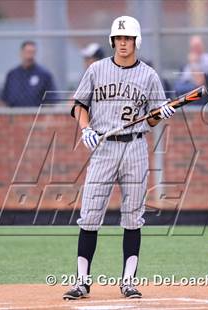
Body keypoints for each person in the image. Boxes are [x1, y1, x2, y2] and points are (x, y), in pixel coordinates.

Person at [63, 16, 176, 300]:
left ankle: (128, 282)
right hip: (102, 147)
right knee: (89, 215)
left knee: (133, 217)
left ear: (136, 41)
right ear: (112, 41)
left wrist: (160, 116)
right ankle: (82, 282)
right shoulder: (96, 70)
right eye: (118, 38)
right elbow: (79, 105)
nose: (123, 43)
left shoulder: (149, 76)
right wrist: (85, 128)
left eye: (127, 39)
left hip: (135, 147)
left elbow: (151, 120)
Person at [1, 41, 57, 107]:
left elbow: (51, 99)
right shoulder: (12, 74)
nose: (30, 56)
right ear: (21, 53)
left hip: (36, 114)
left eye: (32, 52)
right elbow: (4, 99)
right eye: (27, 52)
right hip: (15, 114)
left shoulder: (44, 75)